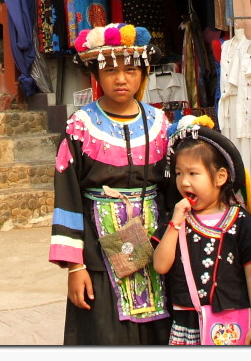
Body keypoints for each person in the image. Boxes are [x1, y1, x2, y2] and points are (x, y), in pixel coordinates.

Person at [48, 23, 172, 344]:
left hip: (155, 250)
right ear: (96, 75)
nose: (121, 79)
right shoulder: (80, 127)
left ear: (143, 74)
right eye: (111, 71)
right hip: (99, 257)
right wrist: (76, 268)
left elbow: (173, 191)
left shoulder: (160, 124)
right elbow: (68, 197)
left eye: (131, 70)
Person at [153, 118, 251, 345]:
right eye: (179, 174)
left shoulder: (239, 221)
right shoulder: (178, 218)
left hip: (231, 323)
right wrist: (175, 225)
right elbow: (161, 265)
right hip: (186, 322)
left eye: (193, 173)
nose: (184, 182)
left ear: (220, 177)